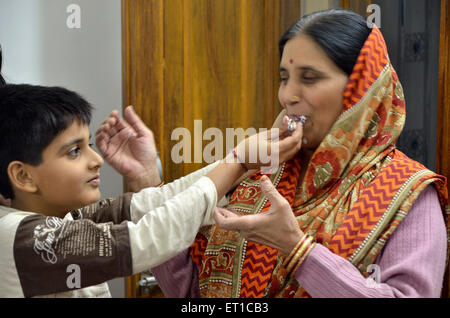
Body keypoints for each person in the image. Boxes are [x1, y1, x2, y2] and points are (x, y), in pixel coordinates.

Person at [143, 9, 449, 298]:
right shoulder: (260, 174)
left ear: (363, 89)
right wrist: (146, 182)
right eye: (284, 77)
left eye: (309, 77)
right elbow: (193, 291)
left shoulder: (408, 194)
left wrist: (299, 250)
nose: (287, 96)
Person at [0, 83, 302, 297]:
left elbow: (156, 202)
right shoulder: (18, 237)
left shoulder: (65, 216)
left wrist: (245, 161)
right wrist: (237, 161)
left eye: (89, 145)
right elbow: (146, 238)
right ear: (23, 176)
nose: (96, 160)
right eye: (74, 151)